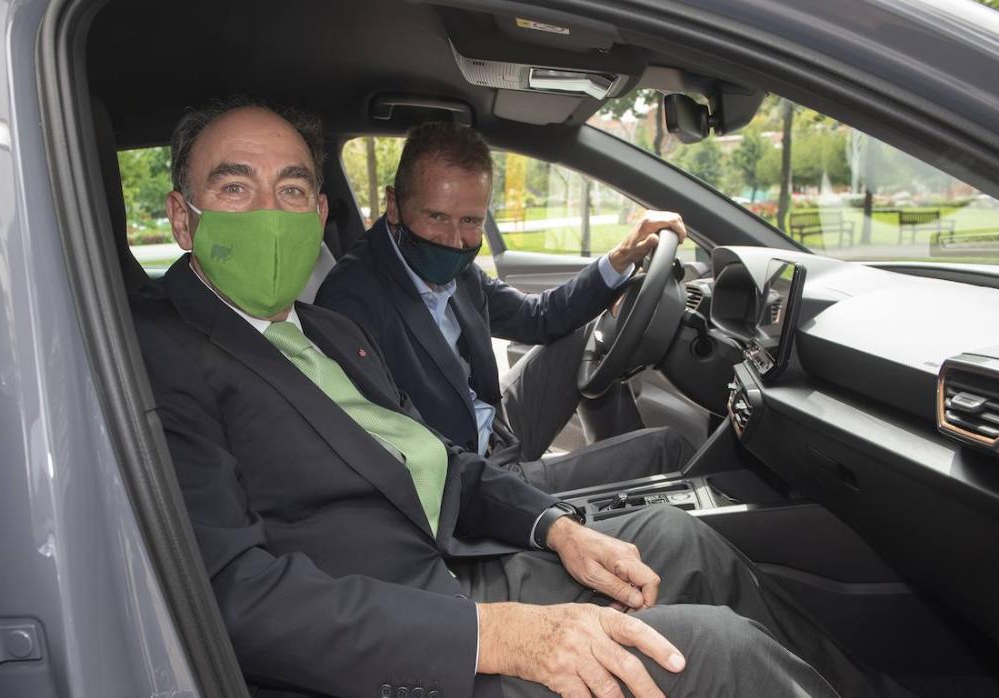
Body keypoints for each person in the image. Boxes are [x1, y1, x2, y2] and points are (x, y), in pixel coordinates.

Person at [131, 96, 908, 698]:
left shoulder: (325, 330)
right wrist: (491, 636)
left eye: (292, 187)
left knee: (676, 538)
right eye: (236, 187)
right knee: (721, 651)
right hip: (399, 640)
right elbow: (233, 596)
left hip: (446, 559)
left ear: (321, 210)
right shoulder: (163, 356)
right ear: (181, 215)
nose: (271, 211)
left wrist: (555, 529)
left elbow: (438, 460)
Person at [316, 122, 691, 493]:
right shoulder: (351, 301)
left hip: (494, 428)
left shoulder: (457, 267)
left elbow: (538, 317)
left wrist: (621, 258)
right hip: (470, 480)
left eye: (470, 221)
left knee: (586, 335)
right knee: (665, 449)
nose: (453, 240)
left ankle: (607, 496)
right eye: (436, 217)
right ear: (394, 205)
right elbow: (398, 454)